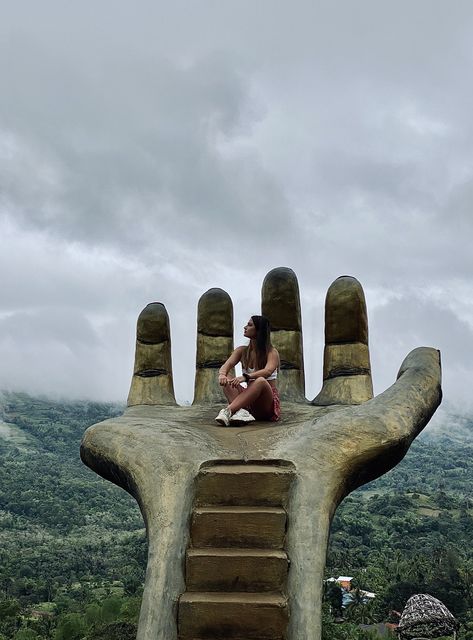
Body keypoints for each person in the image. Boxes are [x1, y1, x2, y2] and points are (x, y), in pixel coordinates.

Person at [215, 315, 281, 426]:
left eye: (250, 325)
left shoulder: (271, 352)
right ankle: (242, 413)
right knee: (228, 379)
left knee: (260, 381)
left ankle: (228, 411)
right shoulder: (242, 351)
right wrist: (222, 375)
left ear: (259, 330)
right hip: (250, 403)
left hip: (265, 404)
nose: (245, 327)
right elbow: (227, 365)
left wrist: (246, 377)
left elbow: (268, 371)